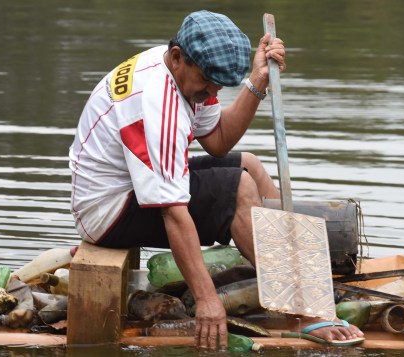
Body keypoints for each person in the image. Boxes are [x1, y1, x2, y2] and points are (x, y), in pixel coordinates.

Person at [68, 10, 363, 349]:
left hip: (132, 186)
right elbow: (173, 213)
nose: (211, 91)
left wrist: (257, 82)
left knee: (249, 166)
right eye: (208, 84)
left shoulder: (185, 70)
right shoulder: (156, 105)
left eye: (218, 86)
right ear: (178, 57)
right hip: (107, 211)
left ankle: (300, 278)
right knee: (238, 190)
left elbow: (219, 140)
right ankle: (306, 311)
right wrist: (207, 300)